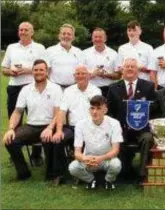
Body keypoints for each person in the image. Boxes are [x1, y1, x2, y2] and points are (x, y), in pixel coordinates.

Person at [2, 59, 64, 184]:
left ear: (47, 72)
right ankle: (23, 174)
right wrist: (10, 129)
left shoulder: (56, 88)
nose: (38, 72)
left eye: (41, 70)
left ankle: (52, 175)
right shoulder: (26, 89)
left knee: (49, 139)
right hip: (31, 126)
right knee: (10, 141)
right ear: (32, 72)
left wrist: (50, 128)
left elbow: (59, 112)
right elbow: (17, 111)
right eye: (36, 70)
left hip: (49, 124)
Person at [2, 22, 47, 166]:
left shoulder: (39, 48)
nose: (23, 32)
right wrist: (11, 71)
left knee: (37, 120)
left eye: (26, 30)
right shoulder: (11, 47)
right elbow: (4, 69)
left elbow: (45, 68)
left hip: (34, 87)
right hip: (15, 87)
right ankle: (15, 153)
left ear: (32, 32)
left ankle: (36, 155)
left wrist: (28, 70)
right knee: (14, 119)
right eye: (20, 29)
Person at [106, 57, 157, 184]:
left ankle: (142, 174)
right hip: (121, 128)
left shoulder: (148, 86)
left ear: (138, 70)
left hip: (142, 129)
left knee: (148, 138)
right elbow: (109, 111)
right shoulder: (113, 88)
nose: (129, 69)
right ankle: (124, 169)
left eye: (132, 67)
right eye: (127, 67)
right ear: (122, 70)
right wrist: (114, 126)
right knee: (117, 138)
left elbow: (155, 109)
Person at [68, 95, 123, 190]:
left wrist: (101, 158)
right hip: (89, 161)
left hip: (107, 160)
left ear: (105, 110)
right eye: (92, 108)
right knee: (73, 167)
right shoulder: (80, 124)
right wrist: (85, 158)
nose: (94, 112)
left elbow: (115, 150)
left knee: (116, 164)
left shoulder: (114, 123)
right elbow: (77, 153)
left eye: (98, 108)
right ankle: (91, 180)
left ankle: (108, 181)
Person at [52, 65, 102, 155]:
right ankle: (59, 168)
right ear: (74, 76)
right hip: (72, 128)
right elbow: (62, 112)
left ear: (89, 75)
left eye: (83, 73)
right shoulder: (68, 91)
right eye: (77, 74)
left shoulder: (96, 91)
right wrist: (59, 131)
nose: (80, 76)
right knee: (58, 139)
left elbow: (98, 113)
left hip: (91, 127)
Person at [83, 27, 121, 96]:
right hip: (90, 89)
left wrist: (106, 75)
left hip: (109, 90)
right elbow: (80, 75)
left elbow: (118, 75)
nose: (98, 39)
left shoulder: (114, 54)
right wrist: (93, 74)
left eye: (100, 37)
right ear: (92, 39)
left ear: (105, 38)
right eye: (95, 37)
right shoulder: (84, 53)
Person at [46, 23, 84, 89]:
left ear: (73, 37)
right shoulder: (49, 51)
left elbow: (81, 73)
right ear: (59, 36)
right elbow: (46, 72)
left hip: (74, 88)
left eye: (69, 34)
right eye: (63, 34)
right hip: (55, 88)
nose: (66, 36)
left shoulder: (79, 52)